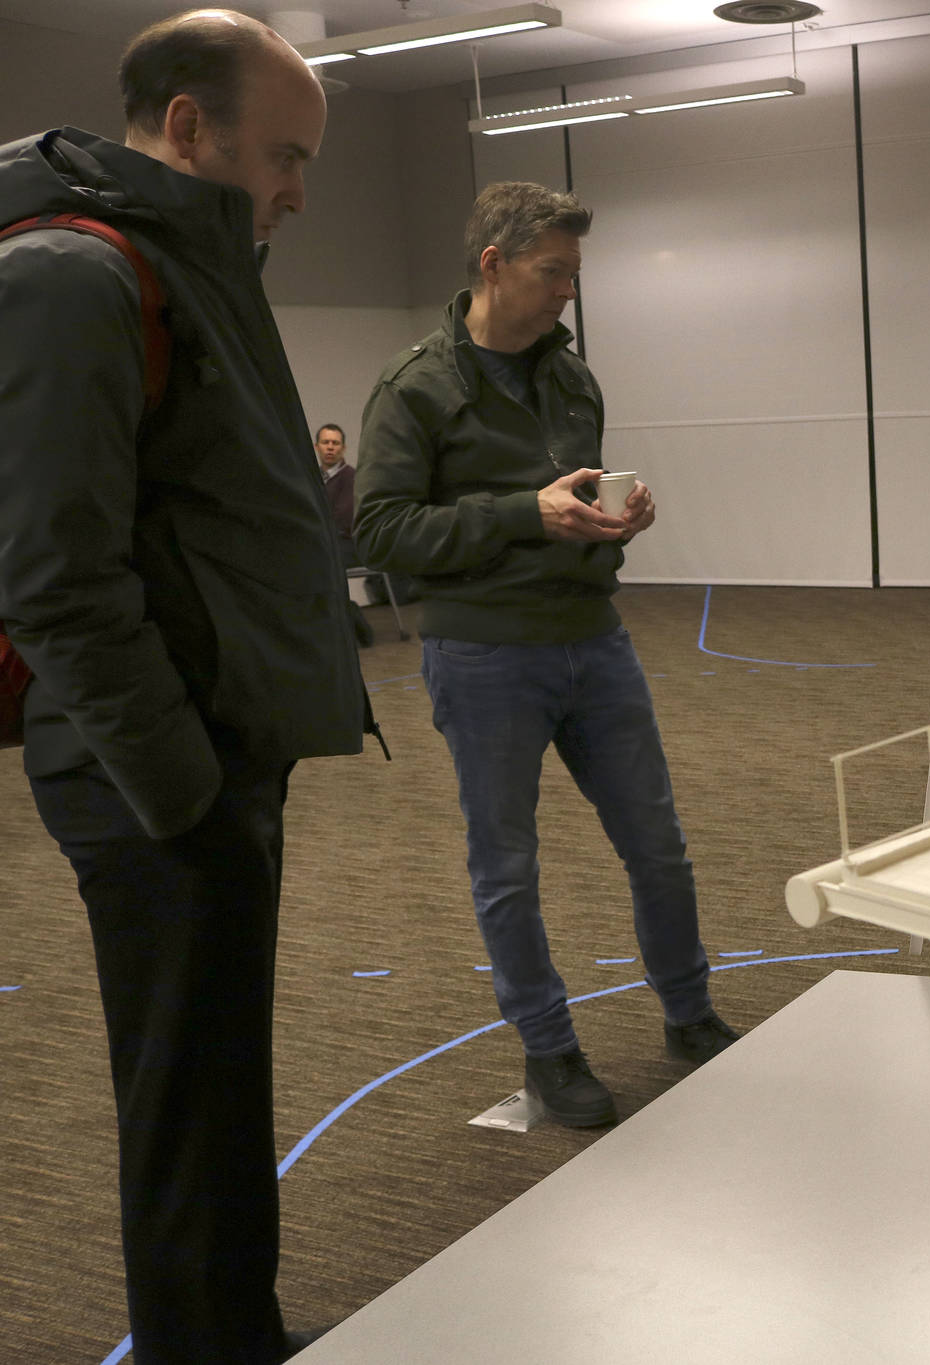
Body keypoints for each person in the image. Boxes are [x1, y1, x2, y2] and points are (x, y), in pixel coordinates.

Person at [0, 11, 363, 1361]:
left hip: (211, 759)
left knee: (214, 1103)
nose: (298, 189)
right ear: (189, 125)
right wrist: (186, 792)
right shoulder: (70, 275)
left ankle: (227, 1327)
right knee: (185, 1115)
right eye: (284, 155)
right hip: (155, 779)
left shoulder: (198, 259)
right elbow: (55, 577)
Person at [354, 182, 737, 1129]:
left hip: (592, 642)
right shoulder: (415, 387)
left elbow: (575, 512)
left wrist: (616, 524)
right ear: (493, 265)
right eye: (552, 271)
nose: (569, 290)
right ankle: (549, 1050)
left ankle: (690, 1016)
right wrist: (523, 511)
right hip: (484, 656)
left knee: (660, 847)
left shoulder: (573, 376)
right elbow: (383, 531)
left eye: (575, 272)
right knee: (507, 868)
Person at [316, 423, 377, 646]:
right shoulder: (314, 479)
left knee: (319, 563)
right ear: (316, 446)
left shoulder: (350, 477)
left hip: (350, 546)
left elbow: (341, 519)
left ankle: (350, 622)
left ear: (343, 448)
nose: (330, 447)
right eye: (325, 442)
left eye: (335, 443)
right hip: (326, 544)